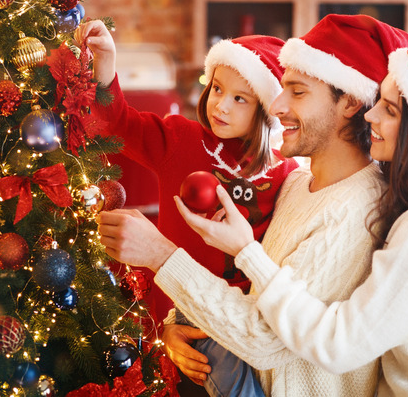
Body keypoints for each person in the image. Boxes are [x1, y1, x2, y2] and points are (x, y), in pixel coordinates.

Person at [102, 32, 408, 395]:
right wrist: (183, 324)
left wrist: (163, 255)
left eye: (297, 92)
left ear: (350, 103)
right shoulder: (299, 185)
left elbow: (308, 340)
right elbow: (254, 300)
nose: (277, 104)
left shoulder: (401, 217)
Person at [75, 22, 298, 392]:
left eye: (240, 99)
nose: (221, 106)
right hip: (176, 319)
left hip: (240, 324)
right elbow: (118, 123)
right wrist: (107, 67)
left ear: (266, 111)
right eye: (217, 89)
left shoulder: (283, 171)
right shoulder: (179, 139)